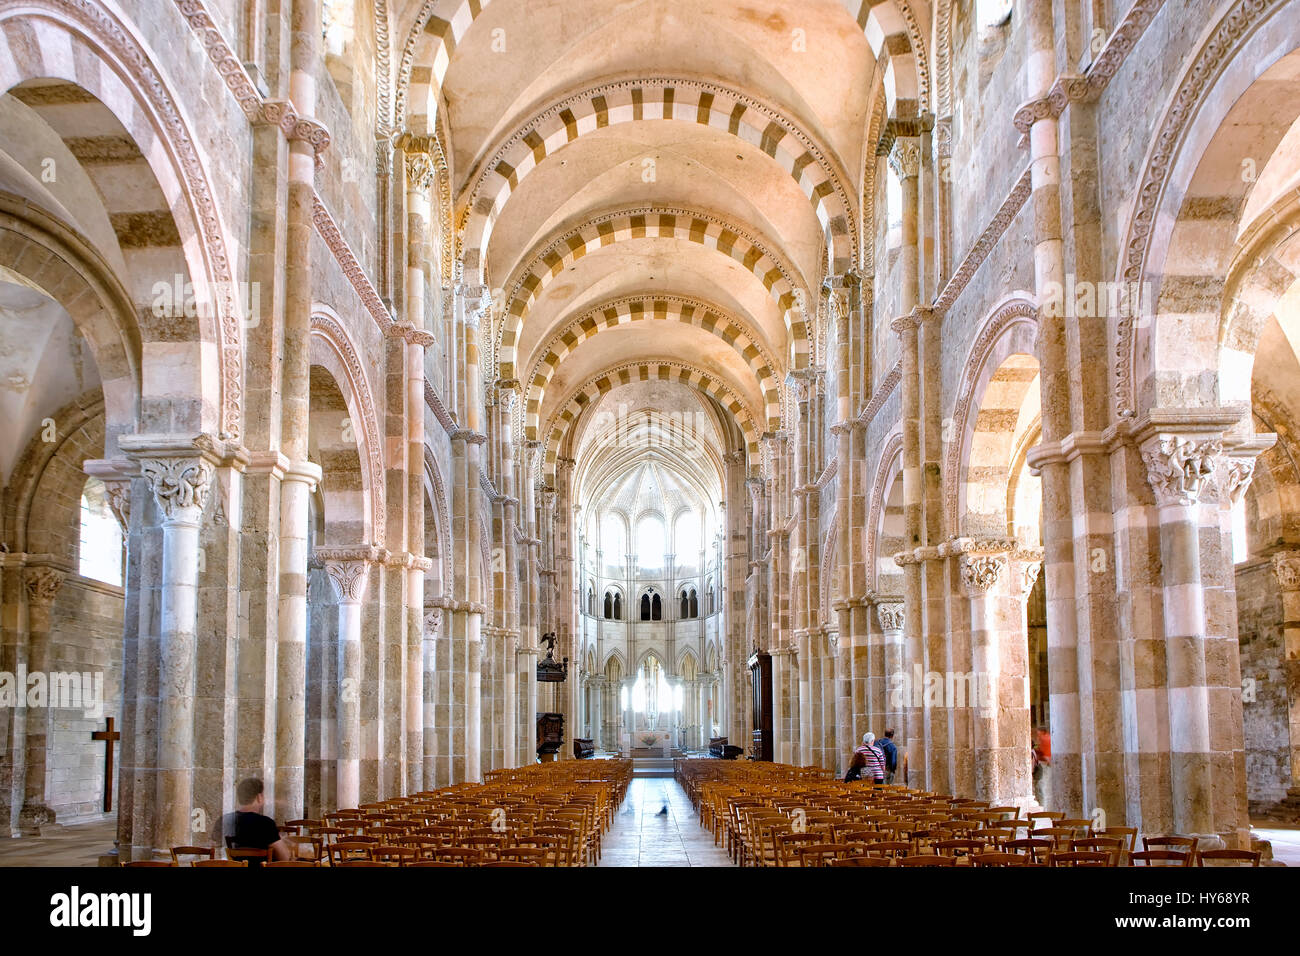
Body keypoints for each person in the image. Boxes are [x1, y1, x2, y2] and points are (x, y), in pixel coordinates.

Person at [214, 777, 295, 864]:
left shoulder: (223, 820)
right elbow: (284, 859)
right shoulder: (265, 824)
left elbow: (215, 853)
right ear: (259, 797)